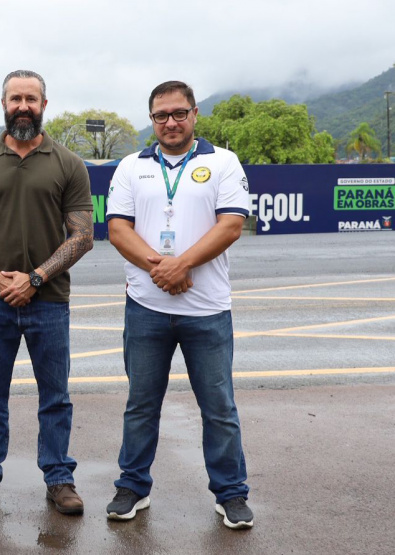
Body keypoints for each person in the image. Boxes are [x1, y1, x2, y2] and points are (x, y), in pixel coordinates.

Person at [104, 80, 254, 529]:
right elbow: (117, 229)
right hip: (146, 306)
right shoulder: (132, 166)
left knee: (219, 408)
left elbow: (231, 226)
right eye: (160, 115)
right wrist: (162, 268)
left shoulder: (222, 161)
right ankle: (132, 486)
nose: (170, 122)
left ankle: (231, 494)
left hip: (207, 310)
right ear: (151, 119)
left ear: (194, 114)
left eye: (178, 113)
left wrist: (182, 263)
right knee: (141, 404)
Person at [0, 70, 95, 515]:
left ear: (44, 105)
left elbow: (82, 236)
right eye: (16, 98)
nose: (23, 106)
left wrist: (32, 279)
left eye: (31, 98)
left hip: (49, 301)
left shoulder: (68, 162)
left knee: (55, 396)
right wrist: (0, 280)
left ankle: (59, 479)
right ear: (4, 104)